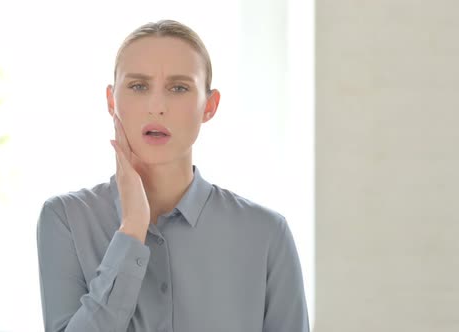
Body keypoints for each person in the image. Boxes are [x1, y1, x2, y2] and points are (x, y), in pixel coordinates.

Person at [36, 19, 310, 332]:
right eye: (138, 86)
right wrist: (132, 230)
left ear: (209, 105)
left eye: (178, 88)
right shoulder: (65, 219)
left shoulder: (266, 234)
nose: (157, 106)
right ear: (112, 101)